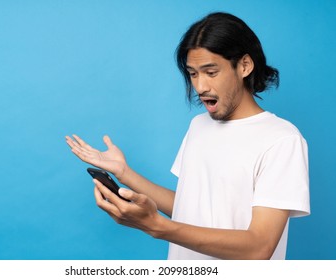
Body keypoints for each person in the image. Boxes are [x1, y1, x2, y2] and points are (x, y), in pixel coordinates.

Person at [65, 12, 310, 260]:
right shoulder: (198, 126)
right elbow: (188, 208)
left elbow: (260, 247)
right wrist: (124, 173)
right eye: (193, 74)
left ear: (244, 66)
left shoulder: (282, 139)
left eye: (211, 72)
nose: (201, 86)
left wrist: (156, 226)